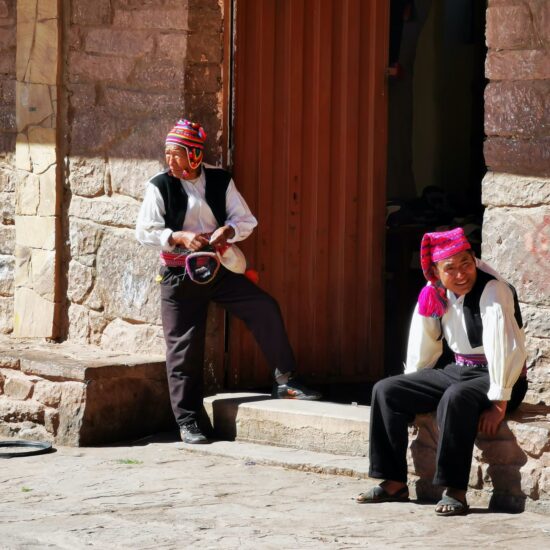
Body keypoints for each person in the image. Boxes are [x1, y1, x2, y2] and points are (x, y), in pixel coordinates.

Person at [136, 119, 321, 444]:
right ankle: (189, 421)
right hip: (179, 275)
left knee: (263, 307)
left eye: (177, 154)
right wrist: (177, 236)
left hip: (217, 268)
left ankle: (285, 379)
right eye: (167, 154)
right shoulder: (159, 186)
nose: (171, 161)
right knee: (182, 346)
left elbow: (245, 219)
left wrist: (229, 231)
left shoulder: (220, 180)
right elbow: (145, 231)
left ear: (194, 155)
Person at [356, 227, 527, 515]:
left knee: (455, 397)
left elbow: (504, 347)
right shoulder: (432, 291)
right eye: (451, 268)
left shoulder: (493, 289)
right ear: (436, 270)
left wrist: (500, 401)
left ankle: (455, 491)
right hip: (459, 368)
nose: (461, 274)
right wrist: (414, 385)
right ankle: (394, 482)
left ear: (475, 260)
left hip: (501, 374)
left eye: (466, 264)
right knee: (386, 391)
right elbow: (423, 343)